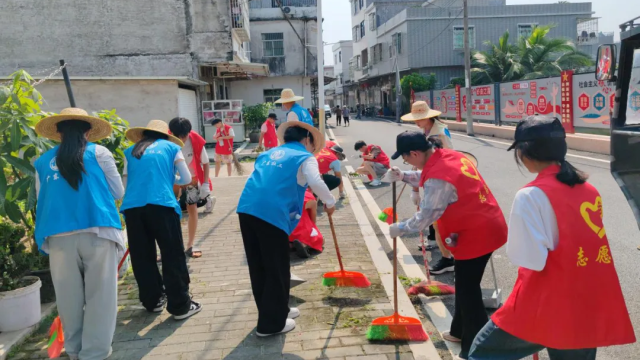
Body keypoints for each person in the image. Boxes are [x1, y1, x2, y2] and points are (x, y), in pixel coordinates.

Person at [469, 117, 636, 360]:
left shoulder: (530, 195)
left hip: (547, 304)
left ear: (524, 152)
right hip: (588, 300)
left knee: (482, 352)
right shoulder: (589, 190)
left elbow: (531, 259)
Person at [385, 131, 507, 359]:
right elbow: (427, 176)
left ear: (414, 153)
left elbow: (426, 215)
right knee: (465, 283)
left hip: (477, 233)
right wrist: (403, 175)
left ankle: (482, 347)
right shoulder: (448, 155)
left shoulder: (439, 175)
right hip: (485, 225)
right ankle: (460, 331)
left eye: (405, 159)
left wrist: (399, 228)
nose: (407, 162)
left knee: (469, 291)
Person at [34, 108, 123, 360]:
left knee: (68, 299)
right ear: (87, 131)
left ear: (59, 133)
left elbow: (43, 200)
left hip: (58, 236)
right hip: (98, 229)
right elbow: (117, 191)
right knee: (101, 296)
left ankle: (74, 351)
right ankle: (94, 353)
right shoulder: (100, 153)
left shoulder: (41, 162)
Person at [237, 120, 336, 337]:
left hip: (246, 208)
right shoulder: (304, 156)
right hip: (271, 213)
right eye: (312, 144)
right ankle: (271, 324)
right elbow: (316, 182)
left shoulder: (269, 153)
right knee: (276, 266)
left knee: (259, 265)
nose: (313, 148)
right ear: (307, 139)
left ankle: (276, 310)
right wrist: (330, 202)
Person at [121, 120, 202, 320]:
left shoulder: (130, 151)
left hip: (133, 208)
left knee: (142, 256)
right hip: (162, 204)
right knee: (172, 254)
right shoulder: (172, 147)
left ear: (143, 136)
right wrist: (168, 176)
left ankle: (153, 301)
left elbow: (125, 183)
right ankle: (180, 306)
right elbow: (185, 179)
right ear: (165, 135)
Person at [401, 100, 455, 273]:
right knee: (438, 219)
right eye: (415, 118)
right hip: (433, 175)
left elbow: (444, 157)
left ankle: (449, 258)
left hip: (442, 177)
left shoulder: (438, 134)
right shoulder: (427, 130)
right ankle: (445, 251)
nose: (416, 121)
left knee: (439, 218)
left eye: (420, 118)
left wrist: (416, 184)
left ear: (428, 116)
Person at [169, 117, 215, 259]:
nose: (182, 139)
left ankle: (189, 245)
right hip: (172, 179)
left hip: (191, 179)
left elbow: (206, 163)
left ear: (189, 132)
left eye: (184, 136)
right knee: (169, 210)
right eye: (178, 136)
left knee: (192, 208)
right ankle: (169, 247)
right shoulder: (166, 140)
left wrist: (205, 183)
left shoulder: (195, 140)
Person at [289, 188, 324, 258]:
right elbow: (313, 221)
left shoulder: (282, 194)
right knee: (320, 240)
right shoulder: (309, 197)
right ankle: (304, 244)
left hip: (284, 229)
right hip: (301, 229)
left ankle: (290, 244)